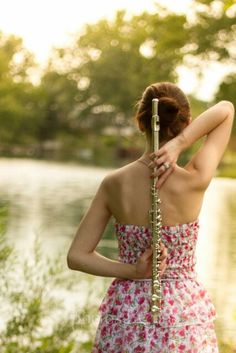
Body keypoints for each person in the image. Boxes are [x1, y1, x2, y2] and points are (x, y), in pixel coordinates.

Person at [67, 82, 234, 352]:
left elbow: (77, 256)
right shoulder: (195, 178)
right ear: (187, 122)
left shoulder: (114, 183)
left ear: (140, 123)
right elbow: (226, 110)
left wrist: (132, 271)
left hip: (128, 310)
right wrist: (181, 143)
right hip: (184, 312)